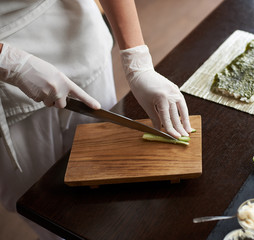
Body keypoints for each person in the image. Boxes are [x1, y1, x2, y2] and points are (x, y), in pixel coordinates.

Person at [0, 0, 192, 239]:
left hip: (75, 33)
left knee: (109, 173)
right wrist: (9, 62)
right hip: (6, 83)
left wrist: (137, 61)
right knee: (47, 205)